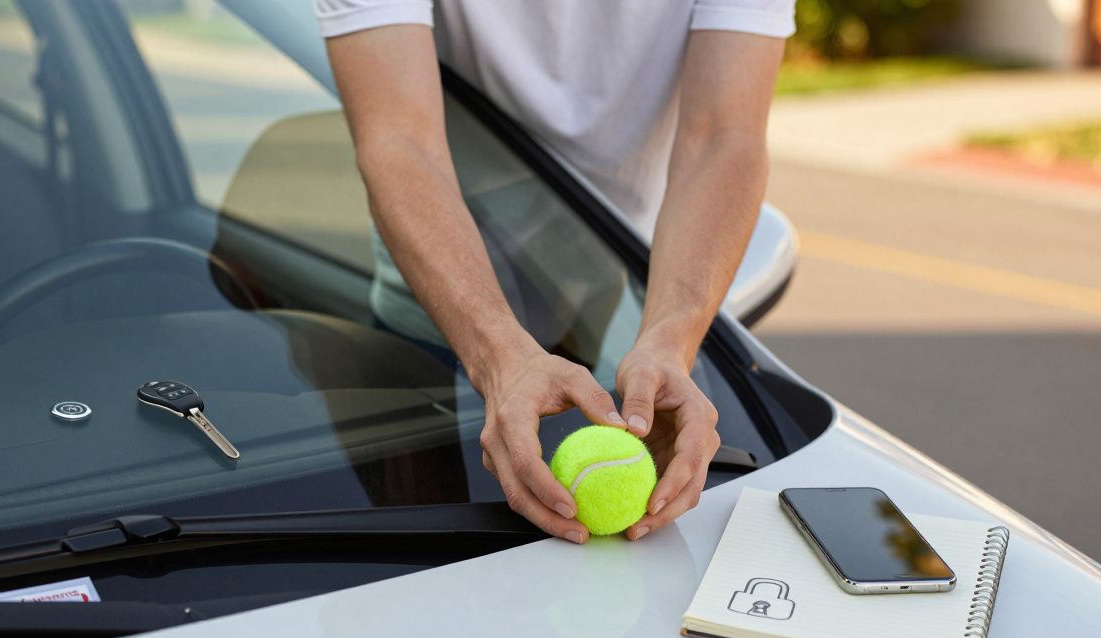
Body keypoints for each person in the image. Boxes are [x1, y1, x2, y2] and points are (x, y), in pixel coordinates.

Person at [313, 0, 795, 544]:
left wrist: (671, 340)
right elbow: (400, 139)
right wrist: (498, 357)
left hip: (611, 284)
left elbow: (724, 137)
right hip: (434, 304)